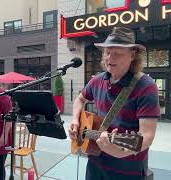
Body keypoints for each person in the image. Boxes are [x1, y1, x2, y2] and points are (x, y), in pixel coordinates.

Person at [68, 27, 160, 180]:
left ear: (132, 55)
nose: (109, 58)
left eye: (117, 53)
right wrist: (75, 121)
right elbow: (80, 99)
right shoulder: (97, 80)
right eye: (107, 52)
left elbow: (147, 136)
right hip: (95, 163)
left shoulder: (146, 86)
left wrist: (119, 152)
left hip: (127, 170)